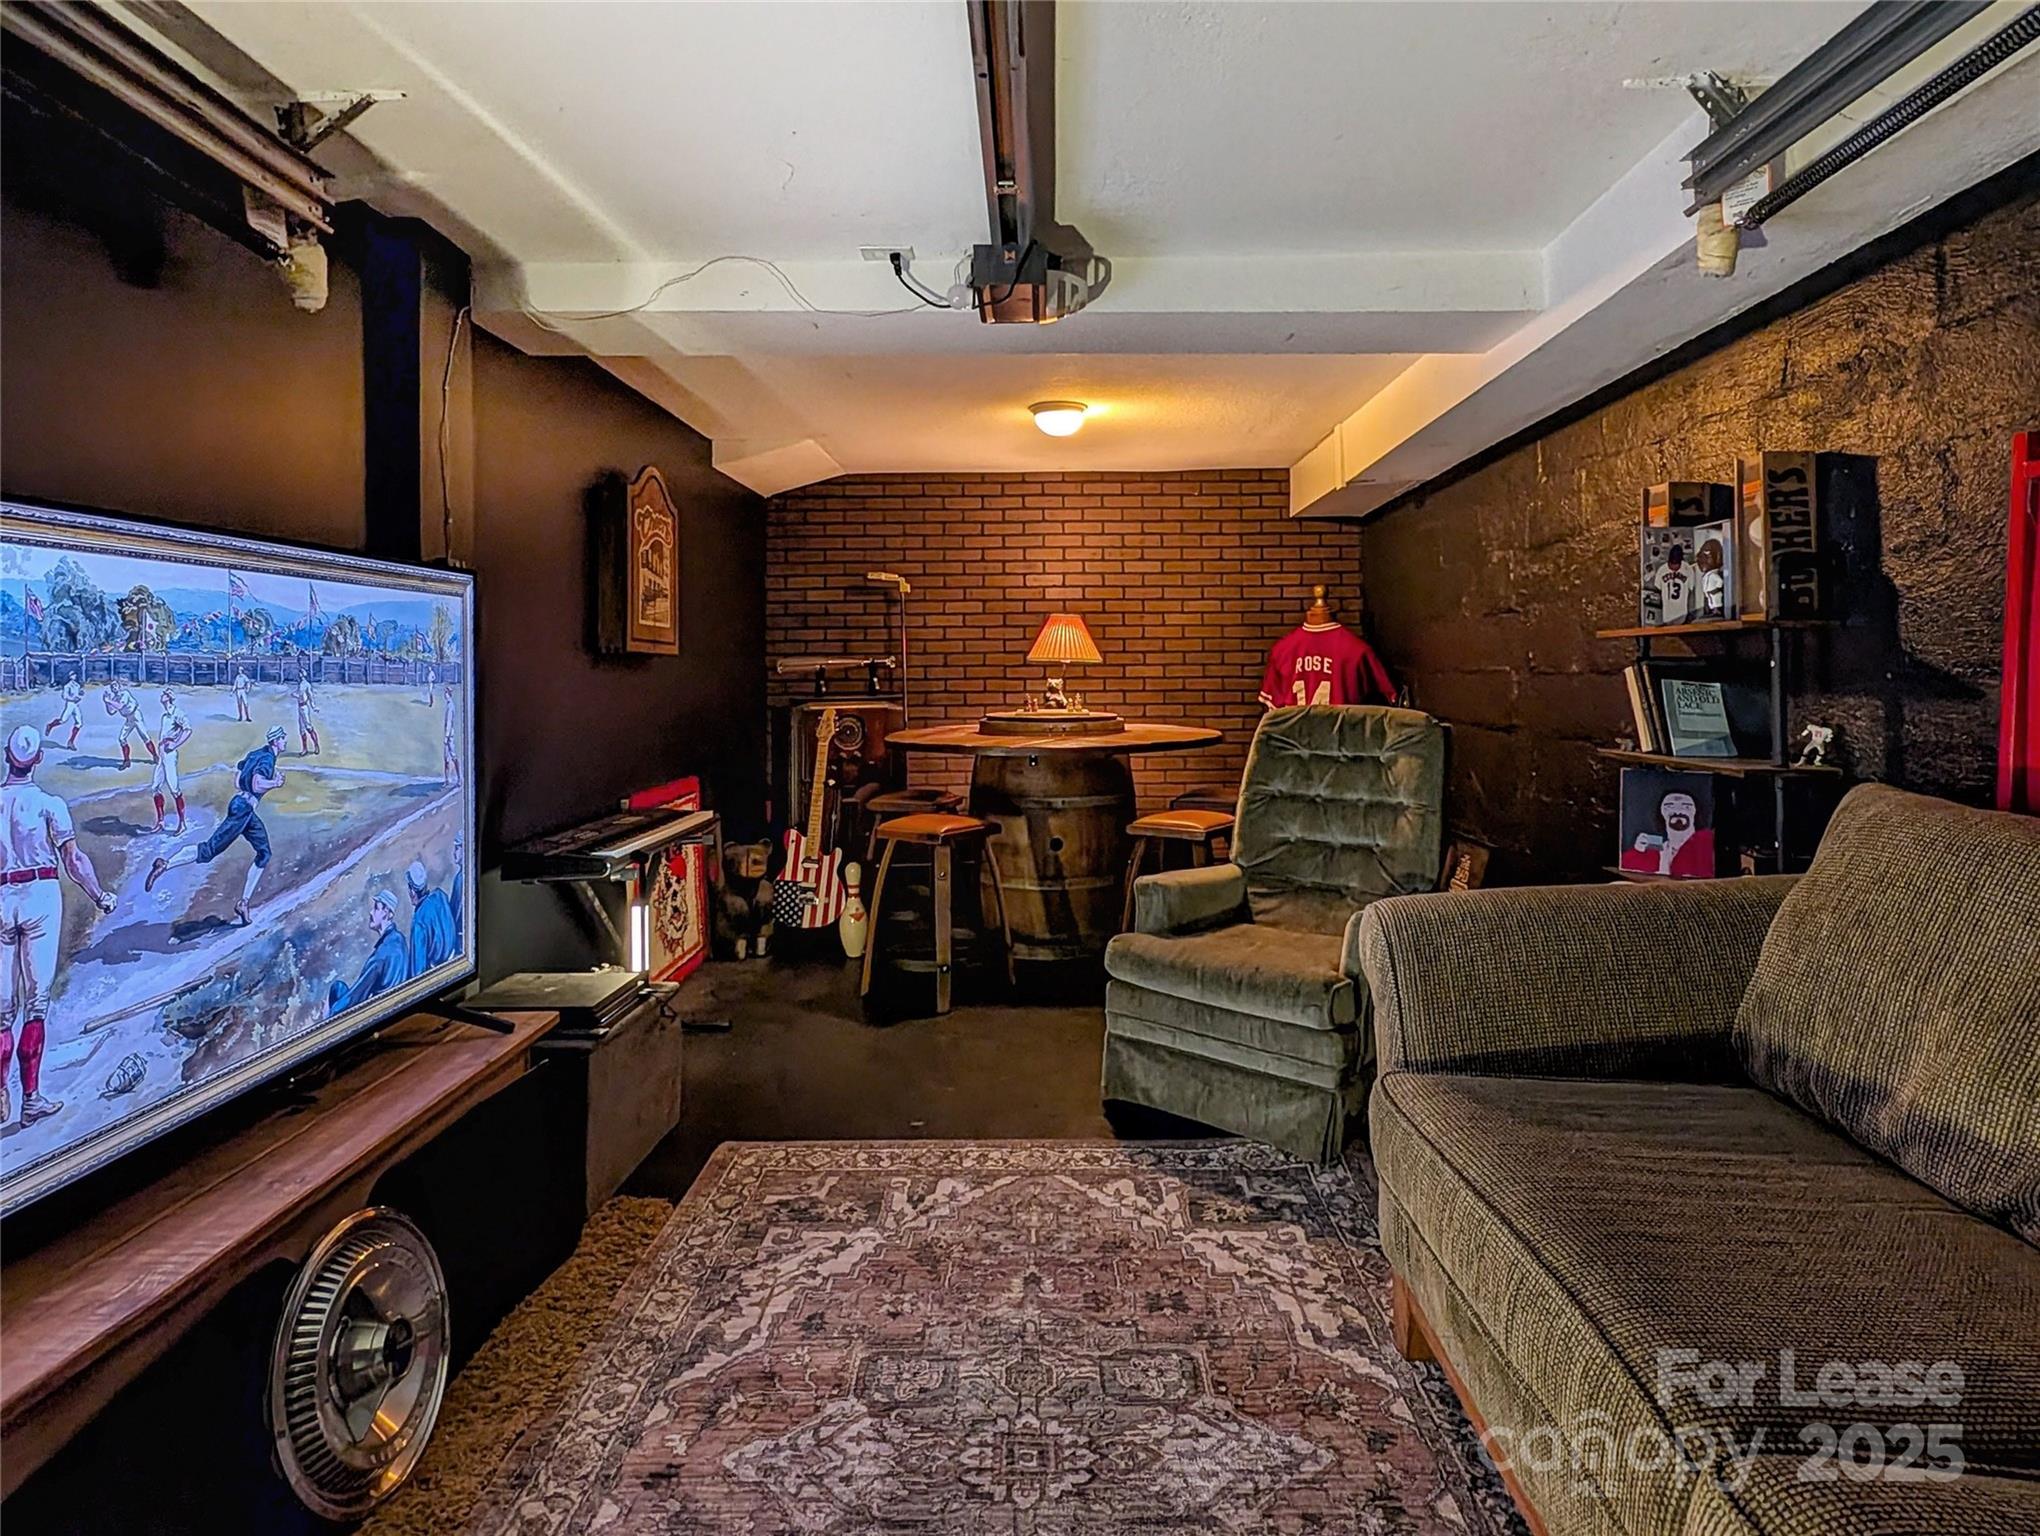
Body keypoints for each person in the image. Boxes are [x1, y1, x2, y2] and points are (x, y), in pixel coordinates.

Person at [2, 726, 116, 1127]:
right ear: (37, 760)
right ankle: (29, 1098)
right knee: (35, 1004)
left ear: (6, 756)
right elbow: (74, 861)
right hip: (40, 896)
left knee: (1, 1011)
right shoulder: (50, 804)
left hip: (1, 898)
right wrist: (100, 896)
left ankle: (1, 1088)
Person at [146, 725, 287, 926]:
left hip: (244, 808)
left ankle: (243, 904)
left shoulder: (257, 753)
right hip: (243, 810)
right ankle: (166, 864)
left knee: (264, 852)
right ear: (275, 740)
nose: (285, 741)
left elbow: (238, 781)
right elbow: (256, 784)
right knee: (209, 850)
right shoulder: (267, 759)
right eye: (283, 738)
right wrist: (275, 783)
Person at [327, 888, 410, 1016]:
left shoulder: (380, 956)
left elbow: (356, 996)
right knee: (339, 988)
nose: (371, 912)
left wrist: (330, 1013)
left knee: (337, 990)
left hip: (382, 1011)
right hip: (397, 1001)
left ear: (387, 913)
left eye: (376, 908)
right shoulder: (399, 939)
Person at [1621, 790, 1717, 878]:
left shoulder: (1708, 844)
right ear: (1661, 812)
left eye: (1686, 806)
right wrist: (1638, 852)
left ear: (1695, 811)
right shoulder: (1652, 848)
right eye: (1669, 806)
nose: (1678, 811)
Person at [405, 859, 458, 975]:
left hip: (440, 972)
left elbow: (417, 971)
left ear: (412, 892)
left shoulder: (419, 921)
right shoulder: (440, 896)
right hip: (455, 959)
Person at [151, 687, 192, 834]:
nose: (161, 696)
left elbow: (188, 729)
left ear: (169, 697)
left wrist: (175, 744)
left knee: (174, 789)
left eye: (164, 694)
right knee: (155, 787)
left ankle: (182, 823)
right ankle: (161, 821)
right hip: (162, 754)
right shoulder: (165, 716)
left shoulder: (177, 713)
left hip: (169, 754)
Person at [102, 681, 158, 769]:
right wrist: (107, 703)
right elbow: (111, 712)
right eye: (112, 687)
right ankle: (127, 761)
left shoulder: (125, 693)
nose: (114, 688)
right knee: (121, 738)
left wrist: (109, 701)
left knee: (145, 736)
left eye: (115, 686)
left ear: (119, 686)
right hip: (129, 718)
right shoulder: (115, 699)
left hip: (136, 715)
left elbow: (120, 706)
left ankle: (155, 756)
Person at [1652, 542, 1699, 625]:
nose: (1673, 567)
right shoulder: (1662, 570)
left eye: (1676, 564)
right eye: (1671, 564)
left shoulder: (1687, 569)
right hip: (1667, 614)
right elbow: (1657, 590)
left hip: (1682, 613)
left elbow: (1692, 590)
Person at [44, 672, 84, 749]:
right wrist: (73, 698)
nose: (74, 676)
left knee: (79, 723)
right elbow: (65, 696)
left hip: (76, 705)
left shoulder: (77, 685)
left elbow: (77, 693)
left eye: (75, 675)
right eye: (72, 675)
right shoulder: (67, 686)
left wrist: (80, 694)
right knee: (63, 720)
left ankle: (71, 742)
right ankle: (50, 725)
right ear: (69, 677)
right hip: (70, 704)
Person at [293, 670, 320, 756]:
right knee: (302, 729)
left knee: (308, 727)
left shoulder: (306, 684)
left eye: (300, 674)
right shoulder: (300, 684)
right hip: (299, 707)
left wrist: (313, 707)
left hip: (304, 707)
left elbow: (310, 696)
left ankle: (316, 745)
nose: (298, 675)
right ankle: (304, 748)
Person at [441, 686, 460, 787]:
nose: (444, 695)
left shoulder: (450, 706)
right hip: (449, 735)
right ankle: (448, 779)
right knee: (447, 758)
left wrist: (446, 737)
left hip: (449, 736)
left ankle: (458, 778)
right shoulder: (450, 705)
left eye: (445, 693)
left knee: (452, 756)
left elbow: (449, 723)